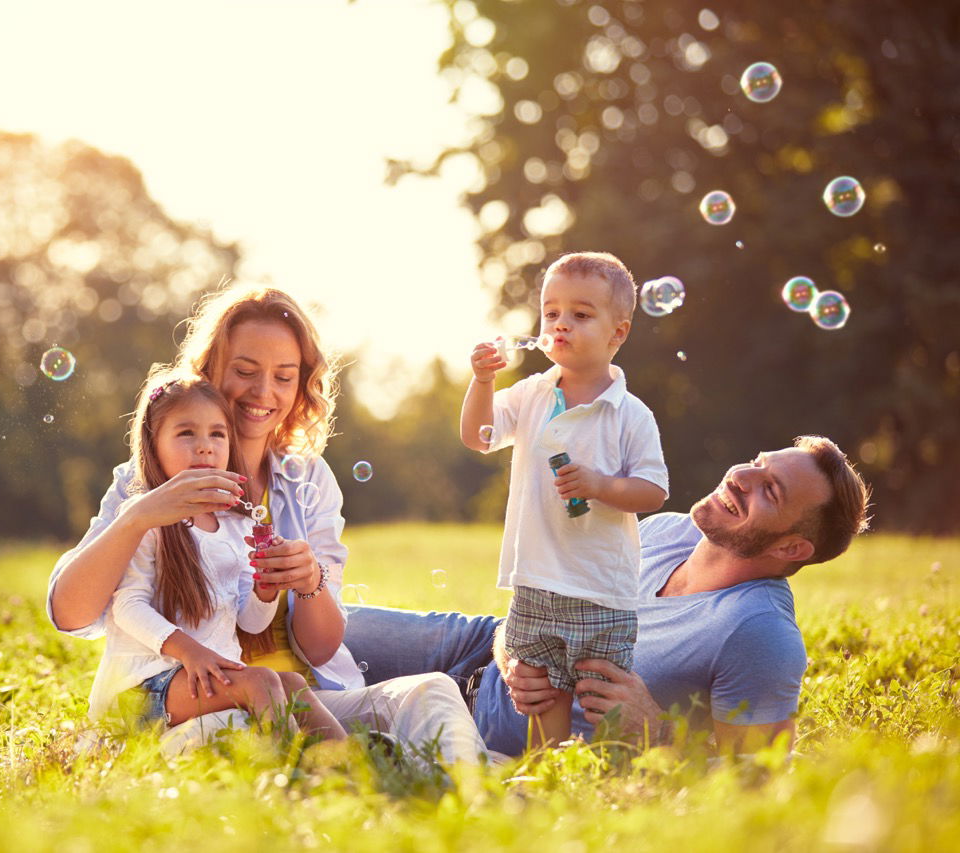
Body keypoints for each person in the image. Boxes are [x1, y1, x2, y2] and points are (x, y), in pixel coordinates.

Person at [47, 284, 487, 763]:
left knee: (433, 692)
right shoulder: (149, 480)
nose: (263, 393)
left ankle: (473, 800)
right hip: (196, 704)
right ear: (210, 370)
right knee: (249, 742)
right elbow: (71, 615)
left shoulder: (308, 479)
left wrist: (307, 581)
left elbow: (317, 649)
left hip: (306, 698)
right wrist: (137, 516)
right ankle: (351, 777)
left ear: (302, 384)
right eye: (245, 371)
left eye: (284, 376)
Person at [342, 435, 871, 756]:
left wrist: (658, 731)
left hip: (495, 727)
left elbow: (756, 783)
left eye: (769, 490)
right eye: (757, 462)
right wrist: (510, 645)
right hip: (478, 646)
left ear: (793, 546)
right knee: (308, 623)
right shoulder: (666, 531)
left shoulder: (760, 633)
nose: (740, 477)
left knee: (305, 711)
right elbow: (550, 596)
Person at [460, 251, 668, 746]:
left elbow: (654, 491)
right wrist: (483, 381)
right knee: (541, 690)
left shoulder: (629, 415)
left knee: (601, 693)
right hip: (535, 577)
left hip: (600, 586)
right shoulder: (533, 393)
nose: (561, 324)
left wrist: (600, 486)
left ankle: (615, 771)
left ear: (618, 333)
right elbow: (479, 435)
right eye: (551, 313)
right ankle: (550, 771)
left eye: (580, 314)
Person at [106, 372, 343, 740]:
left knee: (293, 683)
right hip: (147, 686)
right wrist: (190, 652)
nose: (205, 446)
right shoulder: (145, 517)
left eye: (217, 434)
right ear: (153, 445)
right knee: (262, 680)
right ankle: (291, 770)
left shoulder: (236, 525)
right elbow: (126, 606)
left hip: (210, 678)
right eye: (187, 433)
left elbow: (250, 623)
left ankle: (353, 763)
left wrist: (266, 589)